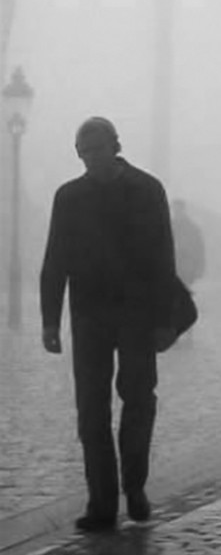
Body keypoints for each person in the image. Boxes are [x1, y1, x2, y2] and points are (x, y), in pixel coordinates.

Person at [40, 117, 176, 533]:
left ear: (114, 147)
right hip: (89, 316)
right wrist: (50, 320)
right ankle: (101, 501)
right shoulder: (69, 197)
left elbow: (163, 259)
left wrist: (166, 319)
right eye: (83, 153)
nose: (90, 159)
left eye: (96, 150)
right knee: (91, 411)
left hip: (136, 315)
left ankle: (134, 486)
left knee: (138, 400)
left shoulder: (147, 190)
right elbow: (55, 260)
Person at [170, 199, 206, 287]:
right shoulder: (169, 226)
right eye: (175, 209)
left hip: (187, 266)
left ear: (183, 209)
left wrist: (200, 267)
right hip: (173, 265)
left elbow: (199, 249)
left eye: (178, 209)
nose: (177, 212)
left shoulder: (192, 228)